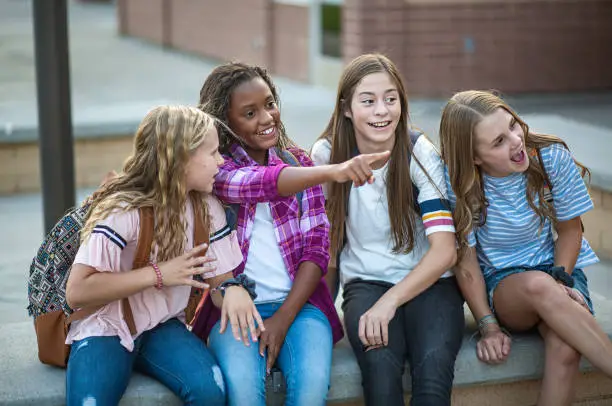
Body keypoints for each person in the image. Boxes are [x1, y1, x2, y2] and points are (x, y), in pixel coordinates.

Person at [197, 62, 390, 406]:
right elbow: (260, 183)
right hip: (237, 311)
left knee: (312, 389)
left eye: (270, 104)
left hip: (300, 308)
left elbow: (316, 251)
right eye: (250, 112)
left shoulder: (300, 163)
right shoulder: (217, 171)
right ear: (226, 122)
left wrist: (284, 317)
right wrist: (334, 171)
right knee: (243, 393)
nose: (267, 117)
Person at [65, 105, 258, 405]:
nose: (221, 161)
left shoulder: (206, 208)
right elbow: (77, 292)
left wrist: (232, 290)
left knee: (211, 391)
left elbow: (221, 282)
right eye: (212, 153)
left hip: (163, 325)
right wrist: (158, 274)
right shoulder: (122, 210)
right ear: (180, 158)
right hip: (107, 325)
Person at [439, 90, 612, 406]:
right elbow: (466, 264)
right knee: (536, 284)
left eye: (513, 126)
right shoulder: (460, 184)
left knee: (565, 346)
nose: (516, 141)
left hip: (561, 272)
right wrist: (488, 325)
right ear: (475, 157)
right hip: (507, 286)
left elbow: (570, 230)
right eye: (498, 142)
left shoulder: (550, 158)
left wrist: (561, 279)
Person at [311, 53, 464, 406]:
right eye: (368, 101)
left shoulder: (417, 151)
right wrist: (323, 312)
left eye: (390, 99)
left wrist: (390, 302)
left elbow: (444, 251)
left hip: (431, 283)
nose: (382, 111)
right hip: (366, 283)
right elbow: (328, 244)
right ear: (346, 108)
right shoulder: (328, 155)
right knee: (380, 375)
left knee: (433, 374)